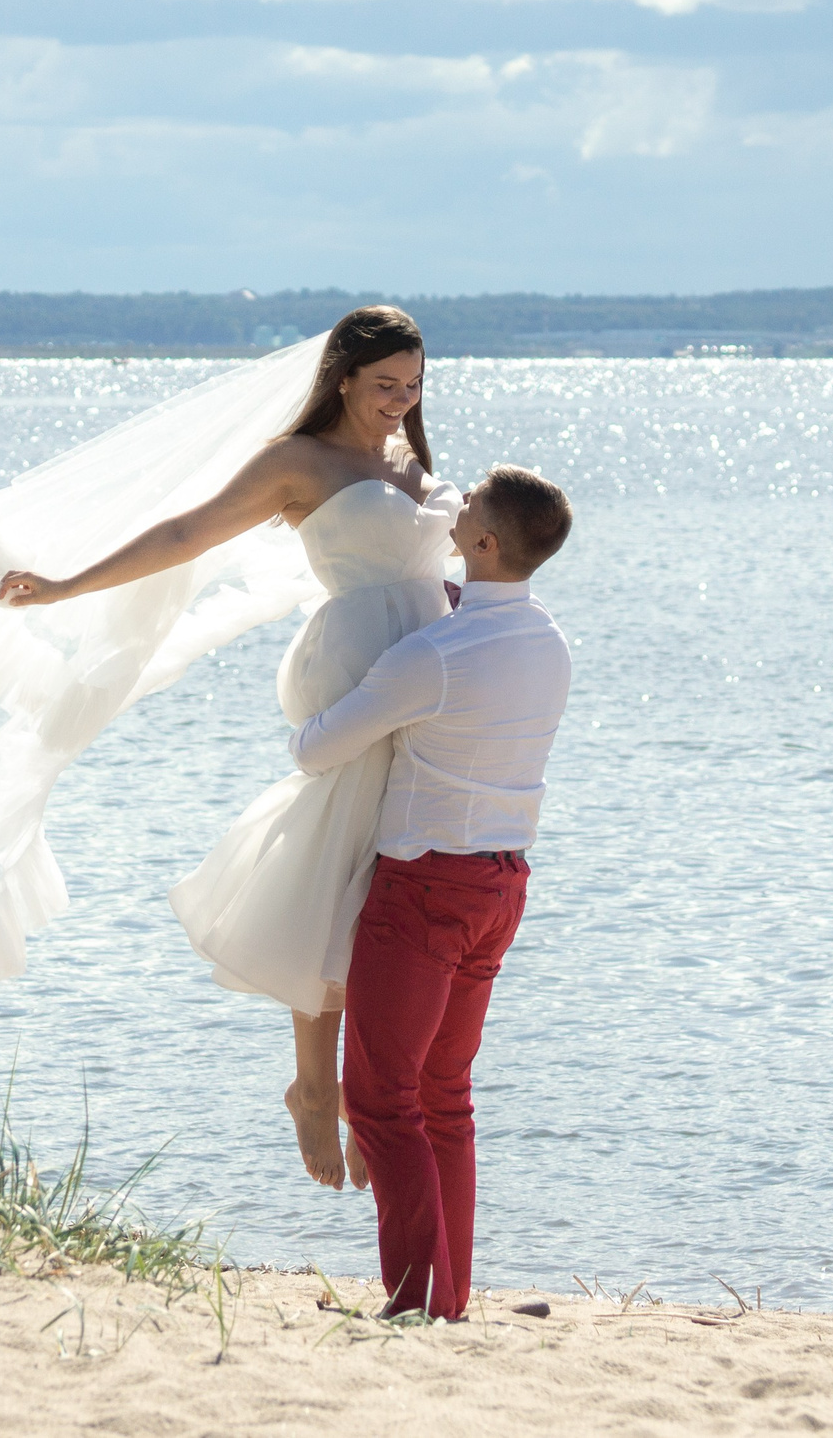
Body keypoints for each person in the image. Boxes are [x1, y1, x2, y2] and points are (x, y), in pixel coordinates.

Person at [0, 306, 457, 1188]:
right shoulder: (297, 462)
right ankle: (318, 1088)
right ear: (342, 377)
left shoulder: (406, 460)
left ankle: (374, 1085)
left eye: (413, 386)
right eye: (384, 385)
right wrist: (62, 588)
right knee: (335, 868)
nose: (400, 402)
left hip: (429, 681)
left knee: (395, 879)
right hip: (356, 671)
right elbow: (185, 533)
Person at [288, 465, 574, 1320]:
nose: (462, 501)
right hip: (502, 883)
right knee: (446, 1094)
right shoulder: (550, 641)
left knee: (380, 1098)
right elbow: (468, 618)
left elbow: (314, 748)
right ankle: (448, 1293)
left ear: (484, 541)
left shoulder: (431, 655)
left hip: (425, 888)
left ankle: (420, 1301)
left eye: (473, 500)